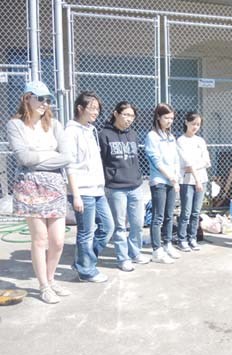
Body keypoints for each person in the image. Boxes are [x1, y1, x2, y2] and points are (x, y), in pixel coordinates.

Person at [6, 81, 72, 304]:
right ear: (27, 98)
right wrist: (50, 157)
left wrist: (38, 158)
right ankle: (44, 285)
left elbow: (67, 156)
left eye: (48, 99)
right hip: (29, 187)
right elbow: (22, 158)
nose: (45, 103)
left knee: (58, 241)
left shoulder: (54, 124)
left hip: (55, 186)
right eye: (40, 98)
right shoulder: (15, 125)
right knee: (40, 239)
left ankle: (52, 280)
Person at [65, 91, 113, 283]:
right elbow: (69, 165)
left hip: (97, 189)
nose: (96, 112)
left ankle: (82, 261)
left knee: (107, 227)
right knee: (86, 232)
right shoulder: (71, 132)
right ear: (80, 108)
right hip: (82, 190)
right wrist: (75, 195)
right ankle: (86, 270)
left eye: (97, 109)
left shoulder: (90, 130)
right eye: (92, 108)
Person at [99, 101, 149, 272]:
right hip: (116, 187)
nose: (129, 119)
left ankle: (135, 253)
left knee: (137, 223)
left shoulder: (133, 135)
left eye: (132, 116)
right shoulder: (104, 134)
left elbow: (135, 160)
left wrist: (138, 178)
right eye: (126, 115)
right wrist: (108, 180)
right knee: (120, 226)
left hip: (135, 185)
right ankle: (123, 258)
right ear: (115, 113)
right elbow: (102, 161)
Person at [144, 103, 181, 263]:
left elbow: (175, 159)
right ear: (158, 117)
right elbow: (155, 160)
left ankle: (167, 244)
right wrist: (170, 177)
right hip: (159, 181)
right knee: (158, 217)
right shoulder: (152, 136)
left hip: (172, 181)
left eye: (172, 118)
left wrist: (176, 177)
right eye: (166, 118)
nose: (169, 121)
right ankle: (156, 250)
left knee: (169, 216)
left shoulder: (171, 137)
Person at [176, 112, 211, 252]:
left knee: (196, 212)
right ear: (186, 122)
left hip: (202, 180)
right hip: (187, 181)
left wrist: (192, 168)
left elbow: (207, 161)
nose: (195, 127)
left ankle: (193, 238)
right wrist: (194, 171)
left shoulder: (200, 141)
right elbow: (186, 163)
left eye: (198, 124)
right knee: (186, 212)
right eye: (193, 124)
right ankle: (182, 239)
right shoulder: (180, 141)